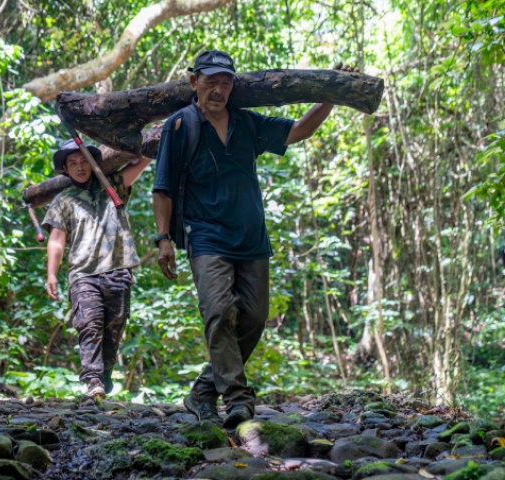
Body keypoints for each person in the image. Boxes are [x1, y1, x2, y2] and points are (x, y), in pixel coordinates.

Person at [152, 50, 358, 428]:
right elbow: (162, 187)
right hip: (206, 236)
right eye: (210, 81)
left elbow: (299, 131)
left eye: (226, 82)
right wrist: (163, 238)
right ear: (193, 81)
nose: (218, 89)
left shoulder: (247, 124)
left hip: (251, 237)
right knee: (218, 312)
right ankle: (237, 400)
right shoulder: (180, 126)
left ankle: (203, 389)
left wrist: (331, 95)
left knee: (255, 318)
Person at [43, 139, 152, 399]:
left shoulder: (112, 186)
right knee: (89, 325)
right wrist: (51, 274)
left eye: (83, 161)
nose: (79, 167)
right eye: (73, 163)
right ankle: (92, 380)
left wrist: (154, 144)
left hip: (118, 271)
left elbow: (142, 162)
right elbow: (56, 239)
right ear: (65, 169)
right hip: (83, 275)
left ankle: (103, 377)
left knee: (113, 329)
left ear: (92, 164)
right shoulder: (63, 200)